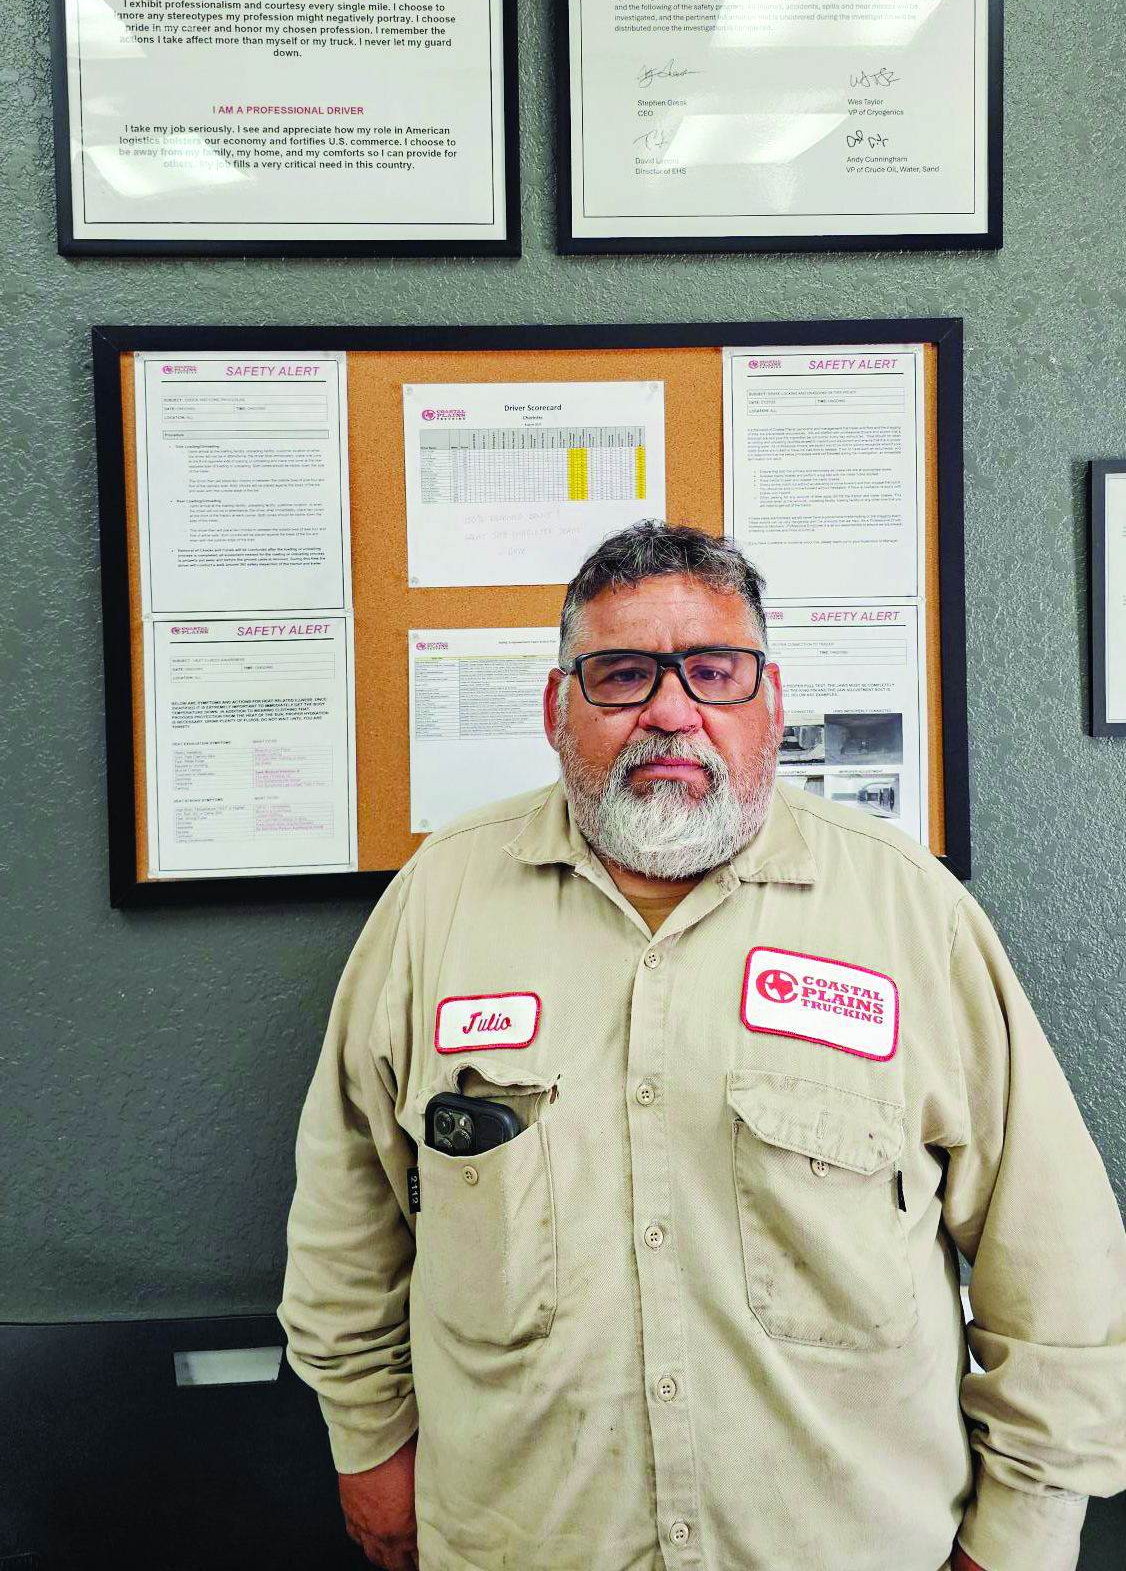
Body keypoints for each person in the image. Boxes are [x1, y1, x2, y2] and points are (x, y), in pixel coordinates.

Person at [280, 523, 1126, 1571]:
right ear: (557, 712)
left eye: (714, 672)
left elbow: (1054, 1264)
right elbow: (346, 1212)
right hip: (524, 1542)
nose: (670, 711)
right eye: (622, 674)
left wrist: (1020, 1536)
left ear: (770, 707)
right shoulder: (437, 905)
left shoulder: (913, 915)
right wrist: (368, 1448)